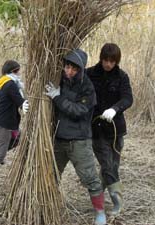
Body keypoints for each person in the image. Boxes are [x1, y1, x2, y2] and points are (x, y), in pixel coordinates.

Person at [45, 49, 106, 225]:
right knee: (52, 175)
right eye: (67, 67)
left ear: (81, 69)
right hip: (59, 139)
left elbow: (78, 111)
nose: (69, 71)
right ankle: (50, 206)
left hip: (79, 140)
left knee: (90, 178)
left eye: (74, 69)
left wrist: (57, 98)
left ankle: (100, 213)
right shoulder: (60, 79)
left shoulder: (87, 88)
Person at [87, 43, 133, 216]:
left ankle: (96, 194)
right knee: (107, 166)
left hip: (116, 131)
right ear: (101, 58)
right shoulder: (89, 74)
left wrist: (115, 109)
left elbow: (128, 98)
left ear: (116, 61)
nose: (108, 64)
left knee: (112, 166)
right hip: (96, 130)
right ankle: (117, 203)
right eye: (105, 60)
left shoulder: (122, 77)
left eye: (112, 61)